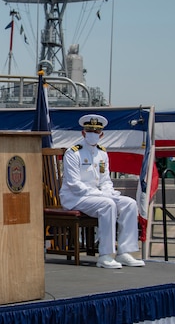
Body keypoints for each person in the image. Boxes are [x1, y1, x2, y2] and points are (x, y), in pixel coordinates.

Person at [60, 114, 145, 269]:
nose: (92, 134)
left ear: (101, 134)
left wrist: (107, 191)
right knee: (107, 205)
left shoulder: (102, 153)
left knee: (130, 204)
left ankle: (124, 252)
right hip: (75, 198)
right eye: (89, 130)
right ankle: (105, 255)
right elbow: (74, 184)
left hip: (96, 197)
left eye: (96, 131)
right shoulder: (73, 153)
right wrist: (101, 195)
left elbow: (105, 180)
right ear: (83, 133)